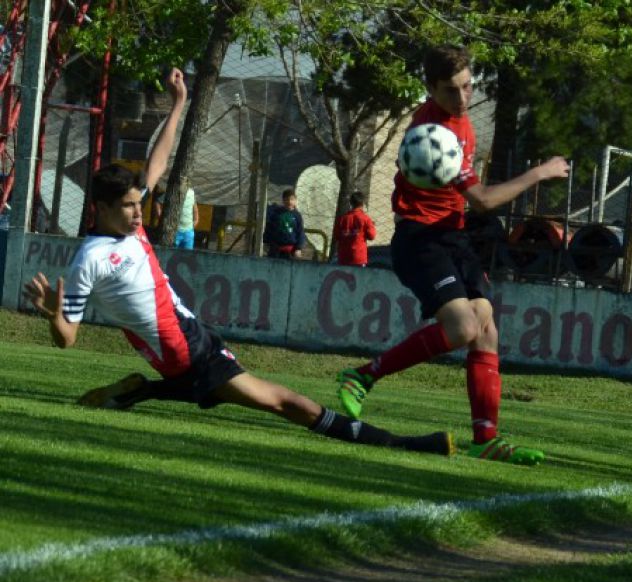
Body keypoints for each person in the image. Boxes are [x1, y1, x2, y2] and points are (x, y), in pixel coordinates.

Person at [22, 68, 452, 459]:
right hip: (184, 353)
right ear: (100, 208)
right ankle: (400, 443)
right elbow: (68, 339)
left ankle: (136, 391)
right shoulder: (90, 260)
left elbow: (159, 161)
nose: (139, 214)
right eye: (129, 207)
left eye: (139, 204)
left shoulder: (130, 226)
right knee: (285, 402)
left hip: (194, 335)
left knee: (230, 393)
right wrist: (54, 315)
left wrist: (177, 105)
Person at [336, 45, 570, 466]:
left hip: (451, 235)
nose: (462, 98)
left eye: (467, 86)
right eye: (451, 91)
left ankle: (486, 438)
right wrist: (540, 172)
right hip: (420, 238)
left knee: (486, 328)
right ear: (429, 88)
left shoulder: (461, 121)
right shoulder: (430, 132)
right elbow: (480, 200)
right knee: (462, 326)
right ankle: (362, 376)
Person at [334, 191, 376, 266]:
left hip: (344, 256)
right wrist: (371, 226)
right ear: (362, 204)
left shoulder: (342, 219)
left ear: (351, 203)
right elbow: (372, 236)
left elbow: (337, 236)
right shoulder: (366, 219)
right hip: (359, 257)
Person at [264, 189, 305, 259]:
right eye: (286, 199)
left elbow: (300, 232)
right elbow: (269, 228)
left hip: (291, 250)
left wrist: (298, 248)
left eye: (292, 199)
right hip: (275, 249)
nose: (289, 202)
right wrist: (266, 242)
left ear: (295, 201)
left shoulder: (297, 215)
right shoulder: (276, 213)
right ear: (283, 200)